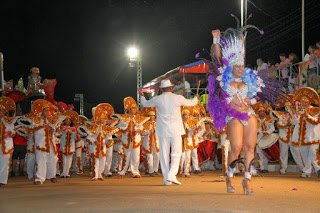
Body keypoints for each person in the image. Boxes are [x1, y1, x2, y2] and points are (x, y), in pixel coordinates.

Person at [208, 29, 265, 195]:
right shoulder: (223, 79)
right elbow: (217, 58)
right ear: (231, 67)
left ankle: (247, 180)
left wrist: (251, 100)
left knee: (250, 147)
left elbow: (257, 96)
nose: (240, 68)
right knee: (236, 147)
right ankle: (229, 177)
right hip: (232, 115)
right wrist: (216, 39)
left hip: (249, 114)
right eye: (237, 66)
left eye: (242, 66)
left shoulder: (250, 79)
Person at [140, 79, 198, 186]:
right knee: (177, 153)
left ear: (162, 89)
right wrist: (196, 98)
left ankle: (167, 179)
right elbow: (192, 103)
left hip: (163, 130)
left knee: (164, 154)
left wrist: (142, 95)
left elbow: (145, 104)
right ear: (171, 88)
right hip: (175, 129)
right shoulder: (177, 98)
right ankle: (172, 174)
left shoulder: (157, 99)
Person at [0, 97, 16, 187]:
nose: (0, 113)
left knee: (4, 162)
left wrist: (8, 133)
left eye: (2, 111)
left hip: (6, 145)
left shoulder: (9, 121)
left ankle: (2, 180)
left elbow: (14, 132)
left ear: (5, 112)